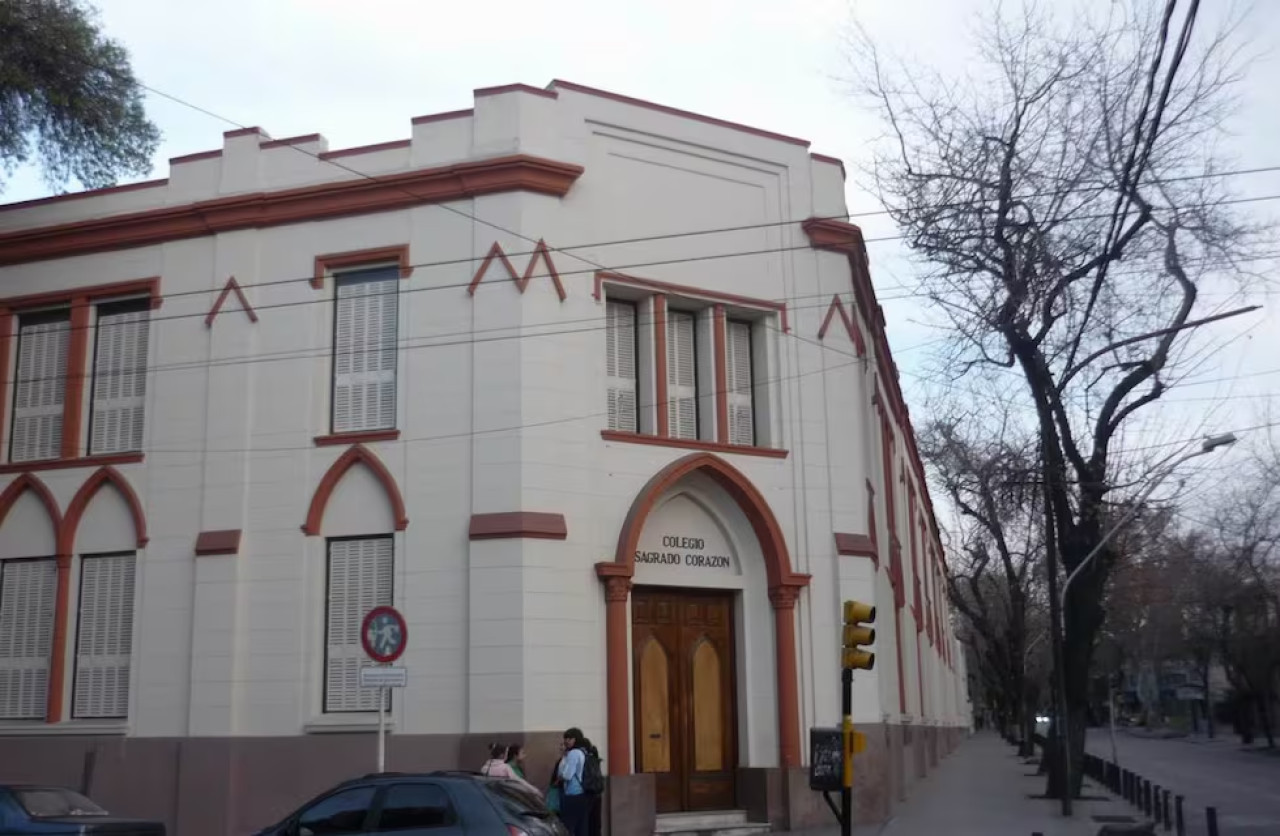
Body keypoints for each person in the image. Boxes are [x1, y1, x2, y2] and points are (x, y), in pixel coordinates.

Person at [555, 728, 590, 836]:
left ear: (575, 739)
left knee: (569, 826)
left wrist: (560, 776)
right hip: (581, 793)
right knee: (581, 826)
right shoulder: (582, 752)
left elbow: (567, 775)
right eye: (565, 738)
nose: (566, 741)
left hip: (572, 793)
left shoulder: (573, 753)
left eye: (569, 738)